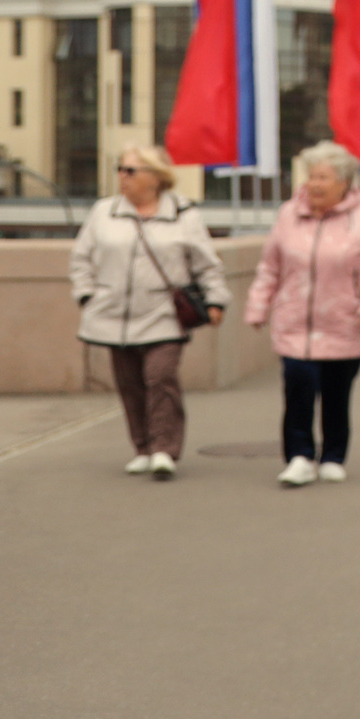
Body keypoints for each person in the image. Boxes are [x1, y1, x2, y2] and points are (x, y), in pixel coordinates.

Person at [68, 144, 227, 480]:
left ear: (155, 178)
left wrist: (216, 300)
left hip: (164, 314)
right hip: (114, 315)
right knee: (130, 384)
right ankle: (141, 447)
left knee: (160, 377)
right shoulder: (103, 211)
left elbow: (206, 263)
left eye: (130, 171)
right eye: (120, 169)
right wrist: (86, 295)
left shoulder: (185, 215)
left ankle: (164, 449)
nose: (122, 178)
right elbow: (81, 258)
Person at [246, 142, 360, 487]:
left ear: (344, 183)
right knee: (298, 388)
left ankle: (332, 455)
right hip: (294, 322)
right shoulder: (289, 214)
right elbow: (270, 265)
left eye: (323, 178)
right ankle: (299, 456)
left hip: (344, 322)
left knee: (336, 393)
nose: (314, 184)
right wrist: (259, 305)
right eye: (311, 176)